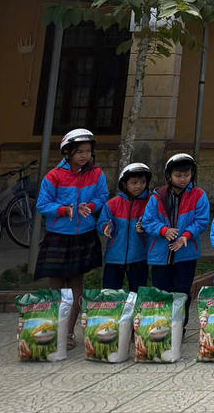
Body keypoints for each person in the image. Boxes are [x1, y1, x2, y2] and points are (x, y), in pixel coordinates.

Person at [35, 128, 108, 344]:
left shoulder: (97, 174)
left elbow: (103, 195)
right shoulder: (54, 176)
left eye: (87, 151)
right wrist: (64, 210)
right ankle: (54, 328)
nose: (84, 156)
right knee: (56, 284)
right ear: (67, 153)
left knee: (77, 282)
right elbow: (42, 204)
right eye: (79, 152)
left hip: (83, 235)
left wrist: (92, 206)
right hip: (58, 235)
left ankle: (68, 333)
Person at [143, 153, 210, 331]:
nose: (183, 179)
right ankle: (161, 327)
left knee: (182, 291)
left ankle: (180, 327)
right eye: (178, 175)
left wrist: (185, 236)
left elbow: (202, 221)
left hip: (186, 253)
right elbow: (148, 221)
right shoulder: (157, 196)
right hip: (160, 254)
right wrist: (164, 231)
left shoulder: (199, 195)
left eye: (186, 175)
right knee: (161, 292)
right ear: (169, 176)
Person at [98, 161, 152, 293]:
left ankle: (136, 314)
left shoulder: (150, 203)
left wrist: (145, 230)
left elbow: (154, 225)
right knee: (111, 294)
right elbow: (101, 223)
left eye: (143, 182)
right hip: (114, 257)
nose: (139, 186)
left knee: (138, 294)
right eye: (134, 182)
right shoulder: (113, 203)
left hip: (139, 256)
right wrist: (106, 227)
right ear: (124, 184)